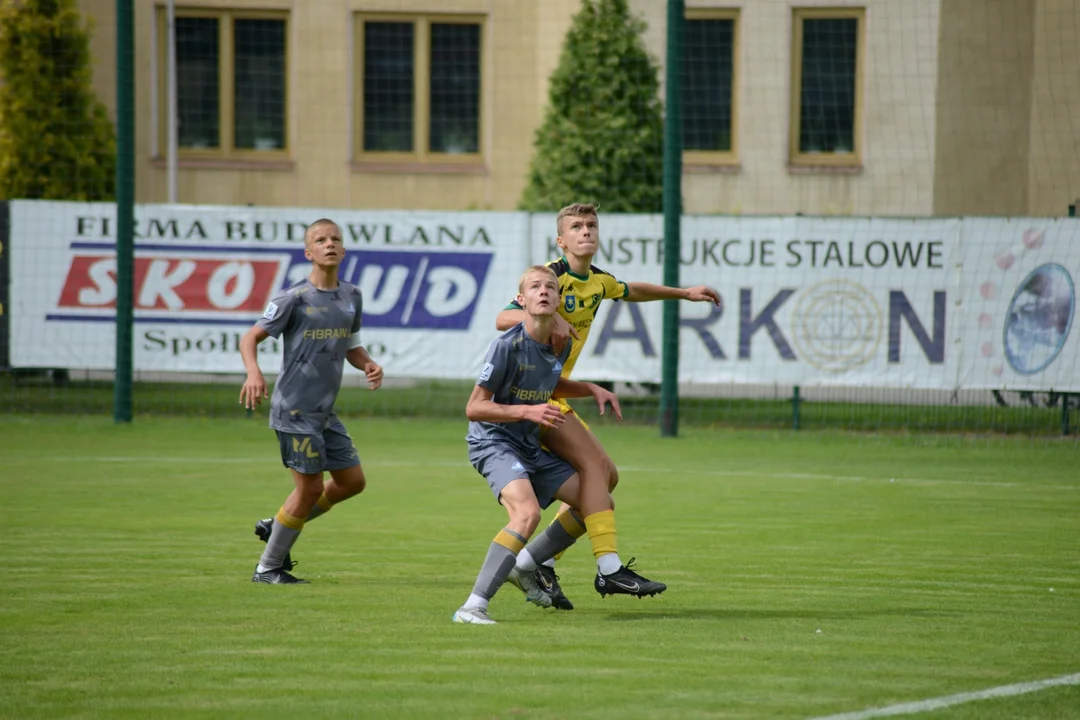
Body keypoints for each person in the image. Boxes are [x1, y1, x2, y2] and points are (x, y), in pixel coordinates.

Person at [495, 203, 721, 609]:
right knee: (597, 471)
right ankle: (608, 569)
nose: (586, 231)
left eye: (592, 225)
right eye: (577, 227)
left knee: (604, 483)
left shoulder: (597, 282)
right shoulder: (552, 277)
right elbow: (501, 318)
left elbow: (631, 290)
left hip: (553, 394)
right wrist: (554, 321)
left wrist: (684, 293)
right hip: (528, 398)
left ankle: (533, 561)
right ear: (561, 241)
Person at [453, 265, 667, 625]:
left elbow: (548, 385)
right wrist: (529, 412)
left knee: (597, 500)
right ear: (521, 300)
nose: (544, 291)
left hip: (528, 445)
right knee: (527, 514)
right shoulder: (506, 346)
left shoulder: (560, 341)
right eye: (535, 287)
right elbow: (474, 408)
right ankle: (472, 606)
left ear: (558, 300)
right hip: (494, 442)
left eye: (550, 287)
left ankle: (527, 565)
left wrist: (591, 388)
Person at [239, 218, 384, 584]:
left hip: (323, 412)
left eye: (335, 239)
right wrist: (254, 373)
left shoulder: (351, 295)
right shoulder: (293, 298)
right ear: (309, 253)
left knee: (352, 482)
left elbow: (350, 345)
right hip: (294, 409)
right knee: (310, 489)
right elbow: (250, 338)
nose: (329, 244)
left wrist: (367, 363)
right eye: (321, 240)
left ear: (344, 250)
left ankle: (280, 524)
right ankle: (267, 567)